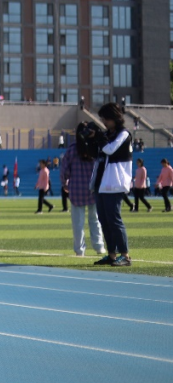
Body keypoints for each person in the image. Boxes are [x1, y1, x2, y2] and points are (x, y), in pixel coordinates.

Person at [93, 103, 133, 267]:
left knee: (114, 220)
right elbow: (97, 153)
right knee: (104, 220)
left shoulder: (123, 134)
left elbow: (110, 150)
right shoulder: (108, 134)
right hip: (101, 182)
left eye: (106, 118)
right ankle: (111, 254)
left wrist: (101, 139)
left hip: (115, 182)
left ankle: (125, 255)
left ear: (115, 117)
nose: (103, 121)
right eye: (102, 118)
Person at [60, 125, 106, 257]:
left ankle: (80, 250)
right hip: (93, 188)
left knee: (78, 223)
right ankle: (99, 246)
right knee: (95, 220)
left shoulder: (72, 150)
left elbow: (65, 170)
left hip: (76, 189)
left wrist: (64, 183)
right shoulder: (95, 148)